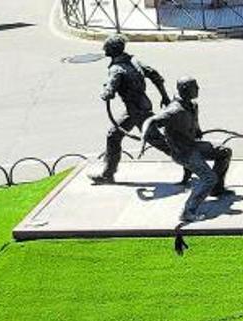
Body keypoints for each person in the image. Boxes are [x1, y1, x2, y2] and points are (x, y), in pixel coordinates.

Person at [139, 77, 233, 222]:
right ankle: (188, 212)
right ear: (184, 90)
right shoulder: (174, 110)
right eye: (195, 87)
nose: (198, 89)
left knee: (224, 152)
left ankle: (216, 189)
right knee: (209, 178)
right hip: (184, 153)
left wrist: (198, 130)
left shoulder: (192, 105)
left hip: (193, 146)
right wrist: (144, 136)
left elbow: (194, 122)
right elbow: (151, 121)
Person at [91, 34, 180, 184]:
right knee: (113, 135)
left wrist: (106, 93)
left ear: (112, 50)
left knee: (160, 143)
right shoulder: (134, 61)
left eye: (106, 47)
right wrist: (164, 96)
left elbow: (111, 89)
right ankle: (108, 173)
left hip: (138, 112)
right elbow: (155, 75)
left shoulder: (116, 69)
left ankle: (193, 163)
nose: (104, 49)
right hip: (136, 108)